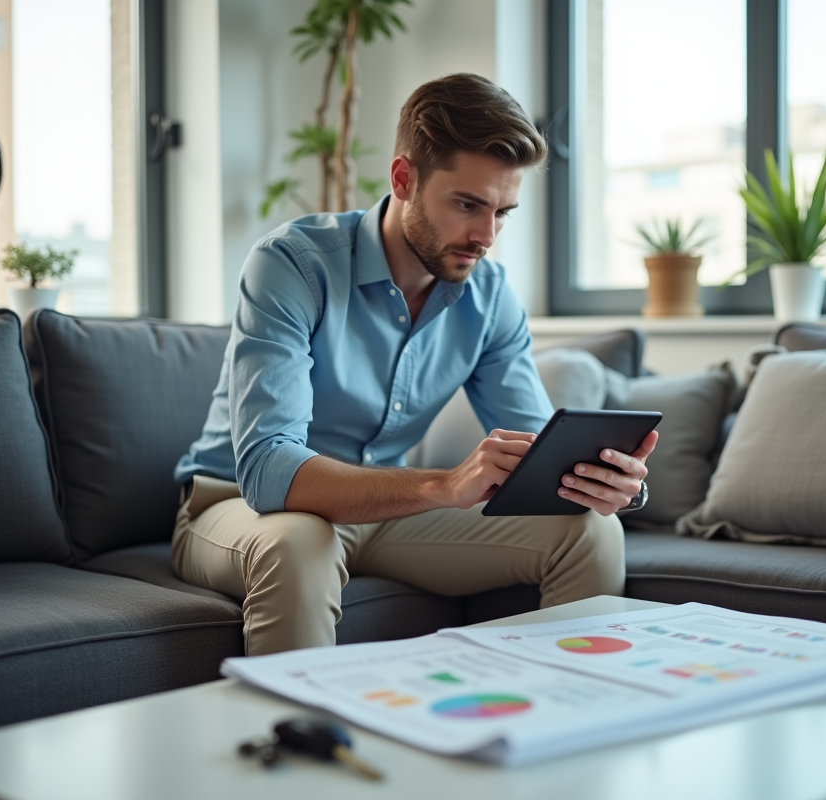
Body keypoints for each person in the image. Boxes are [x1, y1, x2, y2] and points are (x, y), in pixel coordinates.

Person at [173, 73, 658, 656]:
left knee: (590, 532)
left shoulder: (491, 294)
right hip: (237, 505)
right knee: (301, 541)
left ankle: (558, 726)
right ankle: (301, 745)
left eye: (503, 212)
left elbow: (537, 451)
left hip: (388, 513)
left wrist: (608, 486)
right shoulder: (292, 264)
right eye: (468, 205)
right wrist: (444, 484)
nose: (486, 236)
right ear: (404, 179)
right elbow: (269, 472)